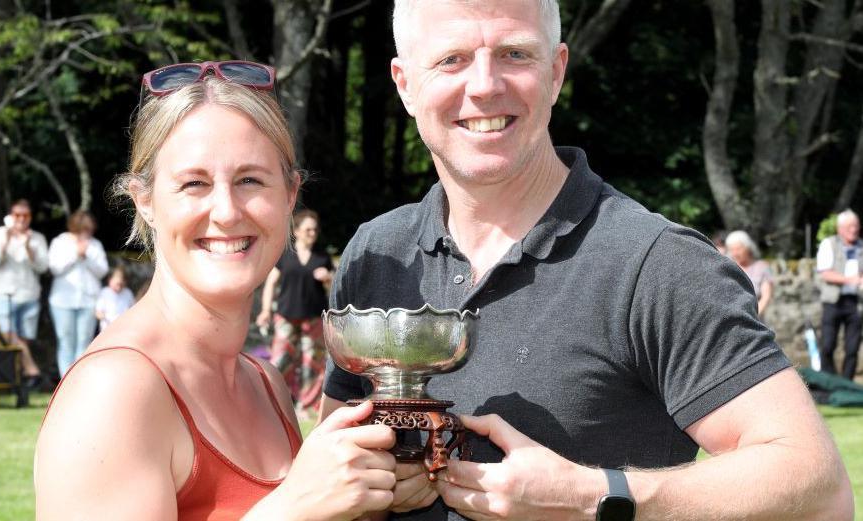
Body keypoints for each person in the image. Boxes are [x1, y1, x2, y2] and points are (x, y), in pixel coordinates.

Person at [320, 1, 853, 520]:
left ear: (556, 73)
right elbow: (331, 474)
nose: (484, 85)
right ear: (405, 84)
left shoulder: (656, 264)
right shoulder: (376, 253)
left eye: (514, 54)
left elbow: (818, 487)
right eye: (451, 59)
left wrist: (591, 497)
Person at [35, 65, 397, 520]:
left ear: (290, 195)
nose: (225, 212)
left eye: (250, 180)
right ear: (144, 200)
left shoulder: (266, 385)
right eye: (194, 184)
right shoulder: (115, 392)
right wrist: (289, 510)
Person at [256, 208, 334, 416]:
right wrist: (265, 310)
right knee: (280, 361)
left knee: (313, 365)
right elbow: (271, 284)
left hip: (314, 317)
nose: (312, 233)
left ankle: (306, 408)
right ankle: (273, 403)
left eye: (315, 230)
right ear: (297, 231)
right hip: (286, 316)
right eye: (308, 229)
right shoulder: (285, 255)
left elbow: (334, 289)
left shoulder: (322, 257)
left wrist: (327, 278)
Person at [0, 198, 47, 382]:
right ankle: (32, 370)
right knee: (7, 334)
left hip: (29, 295)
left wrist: (28, 247)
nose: (21, 219)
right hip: (3, 294)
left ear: (30, 217)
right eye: (17, 215)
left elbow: (42, 267)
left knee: (23, 340)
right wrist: (7, 239)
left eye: (25, 215)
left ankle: (19, 380)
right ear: (11, 216)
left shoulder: (37, 238)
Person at [48, 210, 109, 376]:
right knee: (65, 340)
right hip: (62, 301)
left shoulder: (95, 245)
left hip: (88, 300)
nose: (87, 233)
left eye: (89, 230)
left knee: (84, 341)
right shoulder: (60, 242)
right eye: (84, 229)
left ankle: (79, 380)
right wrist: (76, 255)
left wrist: (86, 257)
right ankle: (65, 380)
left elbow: (102, 271)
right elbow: (55, 268)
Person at [816, 209, 863, 380]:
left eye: (856, 226)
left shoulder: (861, 247)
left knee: (852, 347)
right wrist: (851, 280)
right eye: (850, 226)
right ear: (840, 228)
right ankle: (828, 382)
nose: (854, 230)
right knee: (828, 345)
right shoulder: (829, 244)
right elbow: (826, 274)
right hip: (833, 301)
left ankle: (846, 384)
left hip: (855, 302)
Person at [725, 230, 774, 319]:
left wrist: (751, 317)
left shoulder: (761, 267)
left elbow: (766, 296)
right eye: (732, 250)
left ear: (748, 248)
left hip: (755, 320)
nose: (735, 253)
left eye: (738, 249)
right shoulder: (728, 268)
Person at [95, 266, 135, 331]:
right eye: (117, 284)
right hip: (107, 329)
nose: (119, 287)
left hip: (124, 329)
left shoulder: (128, 293)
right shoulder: (104, 292)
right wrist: (108, 319)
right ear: (110, 280)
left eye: (121, 284)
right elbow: (98, 313)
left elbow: (133, 310)